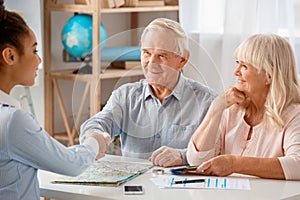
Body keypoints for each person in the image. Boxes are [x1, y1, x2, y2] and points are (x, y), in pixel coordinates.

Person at [0, 1, 110, 199]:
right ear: (10, 55)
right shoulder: (12, 121)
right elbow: (72, 164)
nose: (39, 60)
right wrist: (95, 142)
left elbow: (49, 153)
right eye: (34, 51)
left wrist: (87, 151)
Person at [80, 18, 216, 167]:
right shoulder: (125, 96)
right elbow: (99, 122)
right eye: (146, 53)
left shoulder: (207, 102)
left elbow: (219, 152)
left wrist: (183, 156)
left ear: (182, 60)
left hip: (183, 188)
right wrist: (93, 136)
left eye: (162, 55)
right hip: (134, 188)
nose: (151, 63)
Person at [187, 34, 300, 180]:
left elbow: (297, 165)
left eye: (244, 66)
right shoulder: (231, 109)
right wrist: (215, 109)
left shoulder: (294, 115)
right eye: (237, 62)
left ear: (269, 76)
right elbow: (197, 161)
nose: (236, 72)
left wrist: (234, 163)